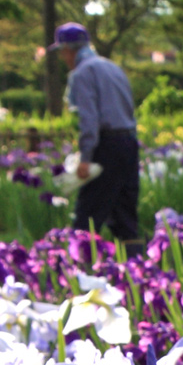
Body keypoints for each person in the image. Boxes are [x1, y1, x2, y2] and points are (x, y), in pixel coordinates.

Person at [50, 23, 141, 250]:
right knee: (124, 214)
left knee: (88, 214)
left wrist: (86, 157)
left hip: (106, 145)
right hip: (128, 142)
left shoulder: (82, 74)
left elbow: (88, 120)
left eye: (62, 52)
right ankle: (138, 269)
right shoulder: (113, 68)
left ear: (69, 50)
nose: (63, 58)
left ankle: (78, 271)